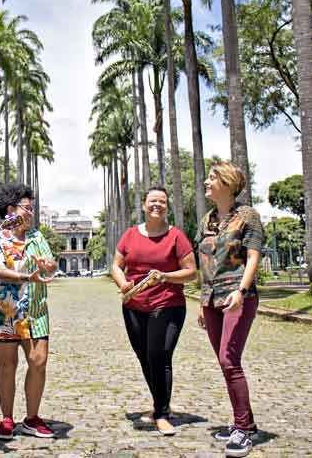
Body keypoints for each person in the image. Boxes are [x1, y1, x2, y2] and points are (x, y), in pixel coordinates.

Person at [110, 186, 198, 436]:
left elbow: (191, 272)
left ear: (167, 207)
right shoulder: (129, 235)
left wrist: (165, 276)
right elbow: (116, 265)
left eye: (162, 201)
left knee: (159, 355)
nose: (157, 205)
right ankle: (160, 404)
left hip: (167, 303)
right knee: (145, 357)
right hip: (133, 305)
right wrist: (122, 282)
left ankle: (161, 413)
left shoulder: (176, 236)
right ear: (144, 205)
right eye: (152, 201)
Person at [194, 162, 264, 458]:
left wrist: (242, 290)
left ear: (227, 182)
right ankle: (245, 423)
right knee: (225, 362)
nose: (207, 182)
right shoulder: (207, 220)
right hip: (211, 299)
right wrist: (201, 299)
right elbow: (204, 262)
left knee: (229, 359)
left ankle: (243, 428)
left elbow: (253, 255)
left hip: (237, 297)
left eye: (212, 178)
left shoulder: (247, 216)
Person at [0, 183, 58, 440]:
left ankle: (32, 417)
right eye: (27, 207)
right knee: (7, 365)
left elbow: (50, 265)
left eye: (32, 208)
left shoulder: (37, 236)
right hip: (3, 311)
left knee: (38, 361)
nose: (31, 212)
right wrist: (27, 276)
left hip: (35, 309)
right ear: (11, 210)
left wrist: (48, 265)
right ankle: (7, 418)